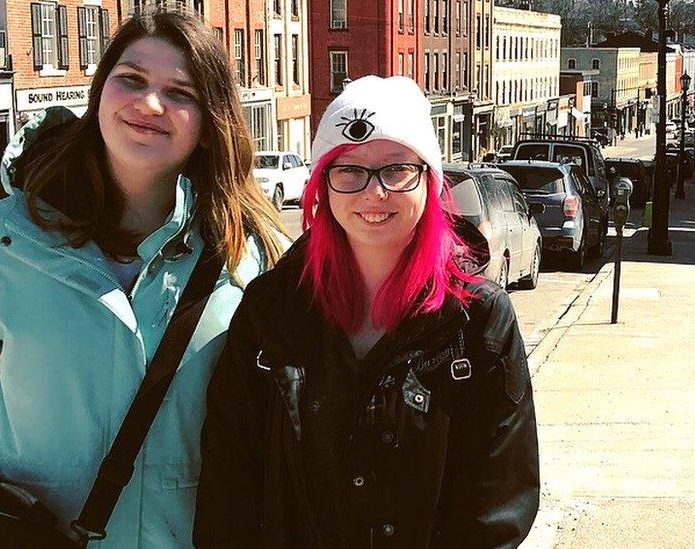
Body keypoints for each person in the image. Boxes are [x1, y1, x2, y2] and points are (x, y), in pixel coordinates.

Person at [0, 12, 286, 548]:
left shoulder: (247, 258)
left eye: (180, 92)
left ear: (211, 125)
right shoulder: (5, 241)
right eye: (132, 79)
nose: (148, 104)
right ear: (100, 94)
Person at [194, 76, 539, 548]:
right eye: (349, 170)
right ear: (323, 186)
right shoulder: (271, 311)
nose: (374, 193)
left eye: (396, 169)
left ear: (429, 179)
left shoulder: (476, 322)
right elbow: (229, 488)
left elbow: (496, 507)